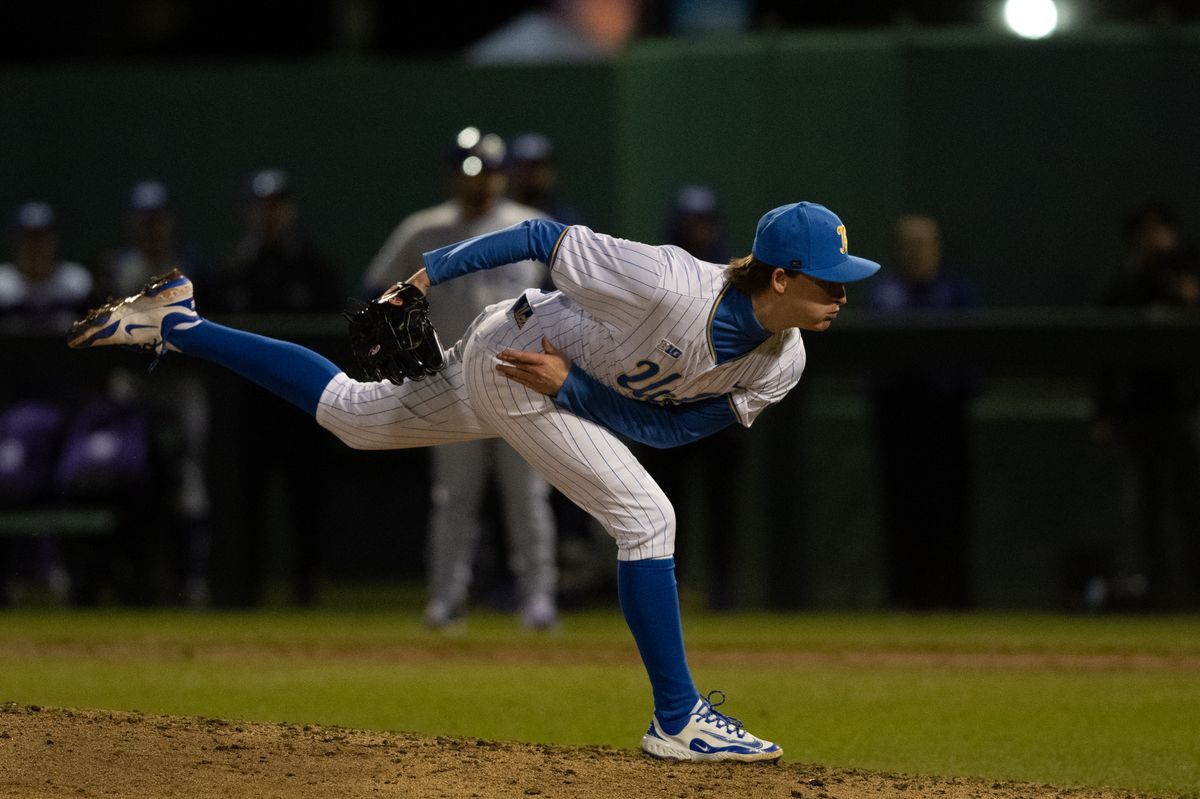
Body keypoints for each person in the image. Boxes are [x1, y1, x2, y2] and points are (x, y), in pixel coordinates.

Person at [68, 199, 880, 762]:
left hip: (537, 375)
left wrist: (573, 390)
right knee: (648, 520)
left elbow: (670, 428)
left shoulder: (786, 361)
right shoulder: (665, 280)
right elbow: (537, 232)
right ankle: (679, 720)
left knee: (351, 414)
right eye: (830, 278)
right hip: (509, 349)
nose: (843, 292)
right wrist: (423, 280)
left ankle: (177, 320)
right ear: (779, 277)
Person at [363, 128, 559, 630]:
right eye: (472, 171)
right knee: (454, 498)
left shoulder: (530, 226)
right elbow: (377, 288)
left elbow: (568, 299)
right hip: (450, 380)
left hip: (521, 379)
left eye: (491, 171)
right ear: (454, 175)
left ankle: (538, 601)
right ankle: (446, 600)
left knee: (527, 496)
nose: (483, 182)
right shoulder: (423, 231)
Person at [214, 168, 344, 606]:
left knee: (307, 497)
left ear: (290, 210)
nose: (269, 215)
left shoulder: (313, 267)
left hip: (303, 406)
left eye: (277, 206)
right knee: (244, 499)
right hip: (246, 407)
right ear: (249, 212)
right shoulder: (232, 269)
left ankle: (308, 585)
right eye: (261, 206)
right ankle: (242, 589)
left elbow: (337, 329)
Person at [867, 214, 977, 610]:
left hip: (945, 420)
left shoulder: (955, 293)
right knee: (901, 510)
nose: (916, 253)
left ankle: (952, 597)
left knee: (948, 510)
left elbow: (974, 361)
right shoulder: (885, 295)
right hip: (897, 422)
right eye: (909, 245)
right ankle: (904, 595)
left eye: (924, 244)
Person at [1094, 203, 1200, 609]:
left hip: (1187, 407)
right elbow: (1104, 356)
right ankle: (1154, 591)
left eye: (1161, 230)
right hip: (1141, 411)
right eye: (1145, 232)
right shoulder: (1125, 287)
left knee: (1192, 504)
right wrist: (1105, 411)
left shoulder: (1189, 275)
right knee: (1145, 508)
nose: (1153, 239)